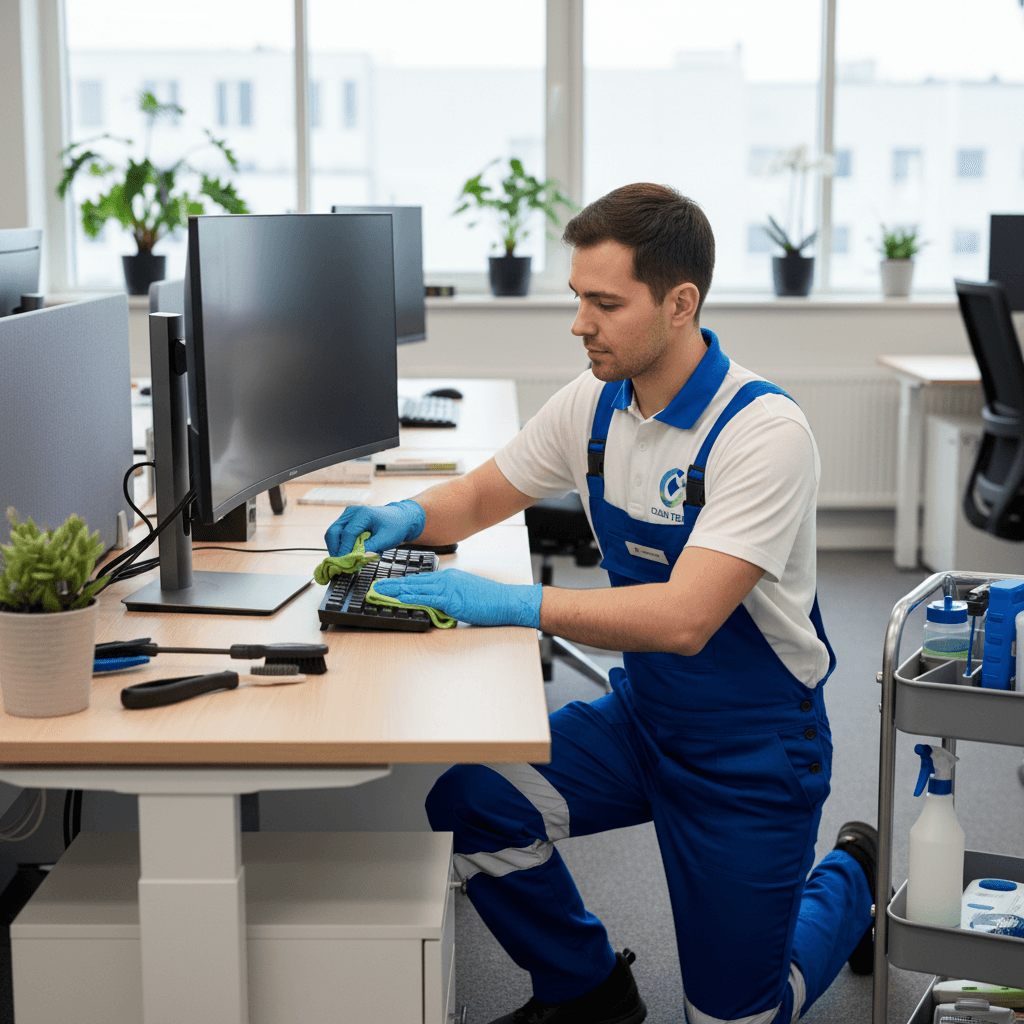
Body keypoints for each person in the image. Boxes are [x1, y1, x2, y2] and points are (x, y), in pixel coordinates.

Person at [324, 183, 878, 1024]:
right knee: (473, 801)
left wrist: (511, 602)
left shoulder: (761, 433)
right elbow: (480, 495)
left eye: (605, 303)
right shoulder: (595, 402)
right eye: (579, 298)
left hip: (752, 751)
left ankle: (851, 879)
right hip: (645, 719)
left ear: (680, 303)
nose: (580, 323)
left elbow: (685, 619)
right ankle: (586, 988)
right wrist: (405, 514)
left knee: (740, 1015)